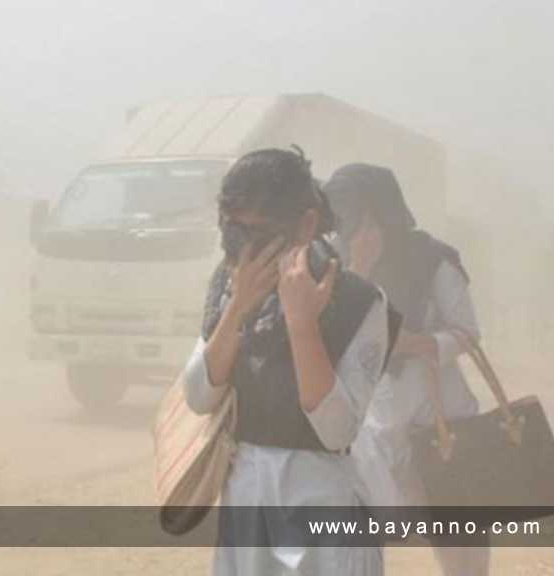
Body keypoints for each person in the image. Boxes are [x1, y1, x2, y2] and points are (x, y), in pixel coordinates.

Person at [183, 148, 397, 575]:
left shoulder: (359, 302)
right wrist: (238, 307)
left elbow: (335, 429)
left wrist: (303, 326)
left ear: (306, 225)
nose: (245, 249)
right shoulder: (230, 287)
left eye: (260, 233)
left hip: (320, 506)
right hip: (247, 500)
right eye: (234, 231)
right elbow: (199, 396)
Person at [323, 163, 489, 575]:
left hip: (441, 420)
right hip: (375, 426)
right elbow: (331, 338)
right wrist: (358, 268)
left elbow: (468, 333)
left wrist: (419, 344)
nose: (351, 226)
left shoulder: (433, 260)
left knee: (458, 538)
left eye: (359, 213)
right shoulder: (335, 267)